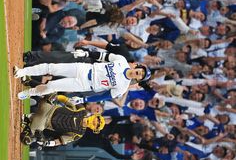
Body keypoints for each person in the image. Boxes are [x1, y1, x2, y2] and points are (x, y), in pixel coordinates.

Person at [14, 54, 151, 100]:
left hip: (85, 84)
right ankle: (22, 71)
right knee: (52, 68)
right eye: (140, 71)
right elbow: (103, 56)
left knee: (51, 86)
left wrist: (84, 99)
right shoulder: (121, 60)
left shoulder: (123, 87)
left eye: (141, 76)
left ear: (138, 80)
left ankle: (29, 93)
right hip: (85, 69)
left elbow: (104, 96)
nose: (138, 73)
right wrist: (87, 53)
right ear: (138, 67)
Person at [20, 94, 105, 147]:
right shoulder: (81, 110)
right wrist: (56, 96)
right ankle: (28, 88)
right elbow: (66, 100)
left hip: (44, 123)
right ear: (95, 116)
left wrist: (47, 143)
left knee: (26, 139)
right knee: (50, 92)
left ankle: (29, 120)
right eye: (97, 120)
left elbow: (60, 141)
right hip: (49, 108)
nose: (95, 122)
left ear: (94, 129)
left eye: (96, 125)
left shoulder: (79, 134)